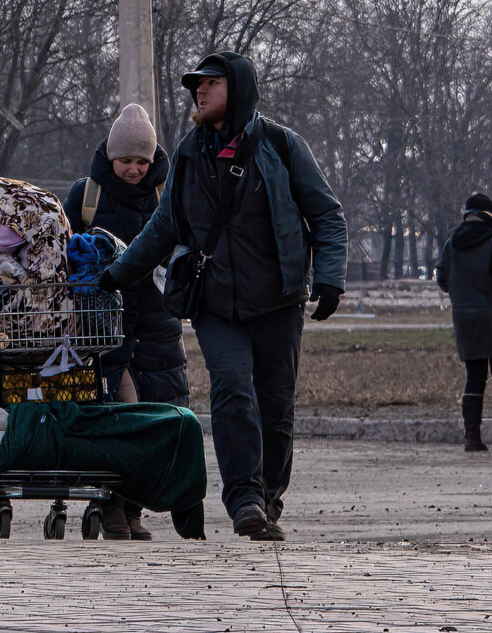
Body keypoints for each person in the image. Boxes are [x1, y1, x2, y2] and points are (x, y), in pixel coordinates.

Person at [101, 52, 347, 542]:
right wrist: (114, 275)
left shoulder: (281, 145)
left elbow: (326, 214)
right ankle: (245, 499)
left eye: (210, 84)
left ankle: (269, 496)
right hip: (215, 303)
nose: (199, 92)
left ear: (238, 88)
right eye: (196, 85)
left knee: (275, 406)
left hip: (278, 300)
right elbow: (164, 227)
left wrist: (331, 278)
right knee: (233, 391)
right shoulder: (190, 153)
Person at [64, 101, 186, 540]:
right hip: (100, 327)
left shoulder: (168, 194)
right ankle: (109, 504)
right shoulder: (86, 195)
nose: (134, 169)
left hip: (156, 326)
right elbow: (62, 253)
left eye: (142, 160)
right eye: (125, 160)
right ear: (110, 157)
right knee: (115, 412)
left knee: (153, 418)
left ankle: (132, 508)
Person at [436, 192, 492, 453]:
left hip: (465, 319)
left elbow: (443, 280)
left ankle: (471, 439)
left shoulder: (451, 244)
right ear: (491, 216)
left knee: (474, 378)